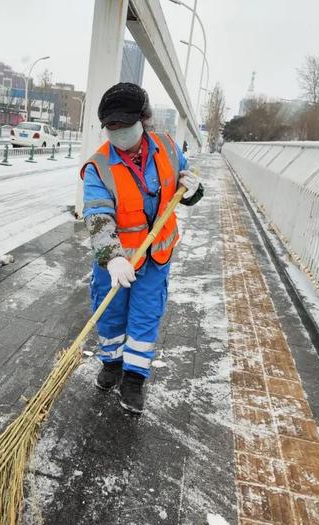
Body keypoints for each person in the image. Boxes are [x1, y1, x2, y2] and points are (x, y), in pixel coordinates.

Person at [80, 82, 204, 414]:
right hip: (116, 262)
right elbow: (97, 216)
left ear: (144, 119)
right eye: (112, 127)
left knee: (146, 316)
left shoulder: (167, 147)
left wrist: (192, 189)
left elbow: (184, 185)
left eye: (124, 124)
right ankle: (111, 364)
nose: (118, 132)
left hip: (155, 256)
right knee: (110, 314)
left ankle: (134, 379)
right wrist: (111, 257)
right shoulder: (99, 167)